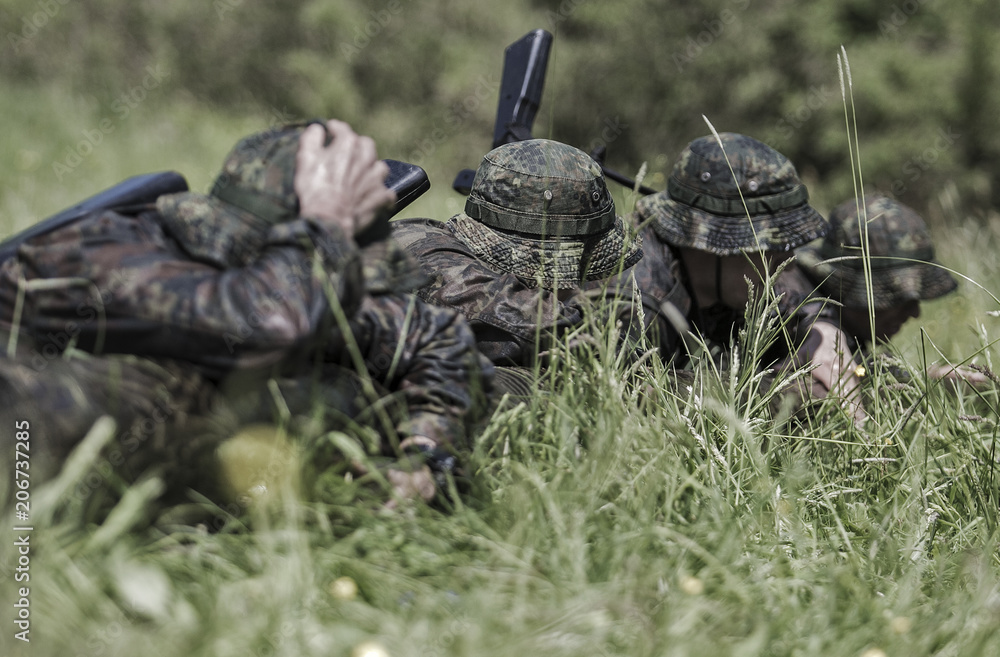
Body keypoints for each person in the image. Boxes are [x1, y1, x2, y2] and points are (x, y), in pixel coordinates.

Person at [0, 119, 491, 504]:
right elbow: (268, 324)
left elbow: (436, 337)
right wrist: (326, 222)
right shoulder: (97, 253)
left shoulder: (293, 285)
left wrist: (425, 455)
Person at [611, 132, 865, 414]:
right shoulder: (637, 295)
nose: (789, 262)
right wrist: (787, 394)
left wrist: (821, 329)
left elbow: (791, 298)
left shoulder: (728, 276)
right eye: (773, 245)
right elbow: (633, 395)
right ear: (715, 243)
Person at [391, 138, 642, 393]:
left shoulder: (429, 241)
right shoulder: (443, 270)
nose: (578, 286)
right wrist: (638, 369)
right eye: (578, 268)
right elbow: (544, 327)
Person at [796, 193, 982, 387]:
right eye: (897, 298)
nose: (915, 313)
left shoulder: (845, 327)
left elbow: (859, 368)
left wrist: (925, 381)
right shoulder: (799, 323)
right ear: (841, 287)